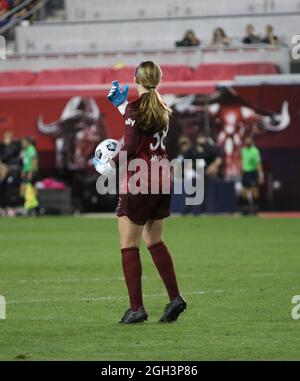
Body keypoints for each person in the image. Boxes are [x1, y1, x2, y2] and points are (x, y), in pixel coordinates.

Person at [93, 61, 187, 324]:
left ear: (136, 78)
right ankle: (175, 298)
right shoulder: (163, 108)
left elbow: (132, 145)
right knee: (155, 240)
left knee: (128, 245)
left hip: (139, 181)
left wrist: (110, 166)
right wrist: (123, 108)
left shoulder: (137, 108)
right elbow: (143, 129)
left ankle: (137, 308)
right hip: (161, 178)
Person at [241, 136, 264, 214]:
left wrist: (261, 174)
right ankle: (245, 208)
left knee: (254, 190)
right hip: (245, 173)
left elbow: (258, 163)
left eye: (249, 140)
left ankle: (256, 208)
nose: (247, 141)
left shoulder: (255, 151)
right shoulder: (243, 150)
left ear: (251, 141)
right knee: (244, 191)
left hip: (253, 172)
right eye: (246, 140)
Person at [20, 136, 39, 215]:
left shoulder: (31, 149)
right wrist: (24, 171)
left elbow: (34, 161)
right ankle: (30, 207)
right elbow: (26, 162)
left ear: (28, 142)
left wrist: (31, 172)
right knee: (26, 188)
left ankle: (33, 207)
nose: (22, 144)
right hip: (27, 171)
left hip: (31, 172)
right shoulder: (25, 150)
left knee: (30, 189)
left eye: (23, 142)